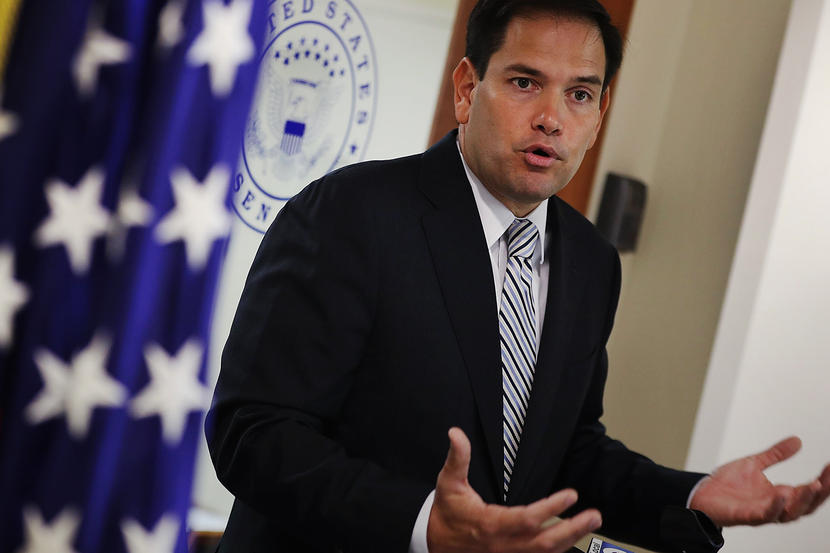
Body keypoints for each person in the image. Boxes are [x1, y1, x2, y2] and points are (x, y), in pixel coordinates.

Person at [206, 1, 830, 552]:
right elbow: (253, 430)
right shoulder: (351, 212)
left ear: (600, 109)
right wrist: (424, 524)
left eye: (580, 94)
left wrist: (692, 495)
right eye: (526, 82)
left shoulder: (590, 262)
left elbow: (567, 453)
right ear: (467, 87)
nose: (552, 119)